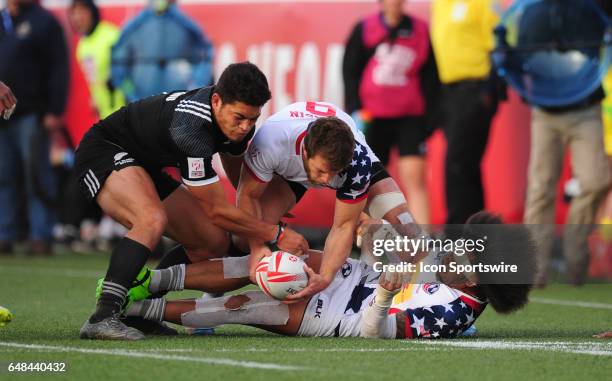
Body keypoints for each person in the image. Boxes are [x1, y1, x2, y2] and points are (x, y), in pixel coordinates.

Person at [75, 62, 309, 340]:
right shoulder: (191, 131)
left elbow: (237, 174)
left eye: (252, 119)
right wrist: (275, 232)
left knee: (213, 241)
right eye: (239, 118)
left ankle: (137, 313)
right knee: (151, 219)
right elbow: (216, 211)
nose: (245, 127)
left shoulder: (232, 119)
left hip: (145, 163)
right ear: (216, 100)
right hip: (104, 150)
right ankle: (103, 316)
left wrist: (253, 215)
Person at [124, 211, 535, 339]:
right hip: (349, 275)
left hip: (332, 317)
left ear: (478, 281)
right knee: (270, 260)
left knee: (237, 308)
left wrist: (386, 296)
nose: (453, 251)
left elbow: (378, 333)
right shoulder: (448, 267)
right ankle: (149, 281)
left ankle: (136, 306)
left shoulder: (450, 315)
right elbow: (382, 263)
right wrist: (373, 233)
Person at [235, 101, 422, 302]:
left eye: (334, 172)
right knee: (243, 239)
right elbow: (247, 196)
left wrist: (324, 278)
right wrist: (256, 247)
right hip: (290, 168)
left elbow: (343, 226)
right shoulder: (270, 143)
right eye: (323, 171)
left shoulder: (357, 161)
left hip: (338, 161)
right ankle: (210, 295)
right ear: (305, 152)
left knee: (409, 230)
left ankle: (433, 292)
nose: (326, 181)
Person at [518, 0, 611, 286]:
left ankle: (575, 254)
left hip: (586, 108)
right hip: (546, 110)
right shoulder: (532, 11)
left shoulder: (594, 6)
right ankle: (535, 269)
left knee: (596, 181)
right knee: (540, 187)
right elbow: (520, 56)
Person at [343, 0, 440, 224]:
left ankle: (421, 246)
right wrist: (355, 108)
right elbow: (350, 70)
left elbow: (431, 76)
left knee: (415, 178)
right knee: (369, 180)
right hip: (373, 116)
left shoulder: (419, 29)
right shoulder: (366, 28)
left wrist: (430, 119)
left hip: (410, 116)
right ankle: (372, 248)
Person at [0, 0, 69, 255]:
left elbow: (58, 68)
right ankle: (5, 234)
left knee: (36, 174)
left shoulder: (44, 21)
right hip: (1, 115)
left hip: (31, 112)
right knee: (3, 175)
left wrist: (54, 109)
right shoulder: (2, 20)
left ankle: (40, 234)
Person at [430, 0, 504, 227]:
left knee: (458, 164)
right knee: (465, 167)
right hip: (448, 93)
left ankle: (458, 235)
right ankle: (478, 235)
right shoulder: (440, 4)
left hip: (474, 90)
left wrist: (489, 90)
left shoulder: (483, 3)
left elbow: (500, 45)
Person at [111, 0, 213, 102]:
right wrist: (132, 94)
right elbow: (119, 65)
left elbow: (203, 59)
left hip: (178, 105)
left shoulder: (186, 26)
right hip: (142, 106)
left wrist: (193, 87)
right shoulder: (135, 26)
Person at [68, 0, 124, 120]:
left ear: (92, 12)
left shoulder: (111, 36)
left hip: (122, 111)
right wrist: (95, 99)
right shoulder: (81, 47)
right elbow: (93, 80)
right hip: (104, 114)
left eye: (82, 12)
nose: (78, 17)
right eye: (74, 13)